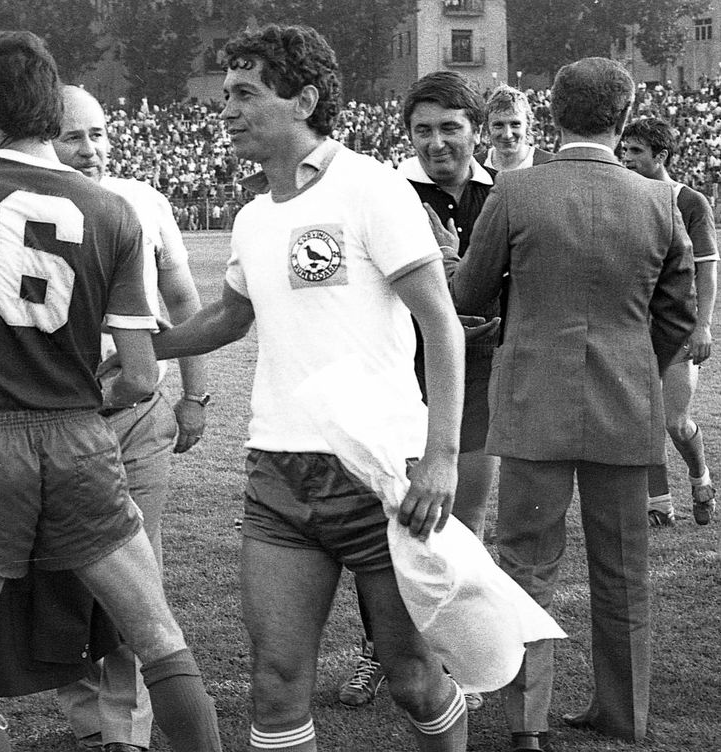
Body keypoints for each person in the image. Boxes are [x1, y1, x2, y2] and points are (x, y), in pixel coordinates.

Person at [154, 24, 468, 752]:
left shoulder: (372, 188)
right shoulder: (253, 217)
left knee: (413, 677)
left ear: (304, 100)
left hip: (381, 473)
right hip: (278, 477)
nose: (226, 110)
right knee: (275, 682)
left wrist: (443, 456)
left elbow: (442, 329)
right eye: (225, 94)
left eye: (244, 94)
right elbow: (233, 316)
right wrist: (147, 347)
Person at [0, 31, 221, 752]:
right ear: (53, 110)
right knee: (161, 642)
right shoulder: (117, 211)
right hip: (81, 437)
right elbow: (143, 375)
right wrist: (84, 399)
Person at [443, 57, 696, 751]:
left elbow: (466, 295)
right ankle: (626, 714)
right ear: (625, 115)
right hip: (625, 400)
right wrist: (635, 357)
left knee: (524, 565)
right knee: (623, 566)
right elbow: (679, 317)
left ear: (552, 112)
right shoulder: (660, 201)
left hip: (532, 398)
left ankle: (527, 722)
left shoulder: (517, 192)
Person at [51, 84, 209, 752]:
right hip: (53, 417)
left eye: (100, 133)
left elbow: (181, 295)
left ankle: (126, 731)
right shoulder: (19, 204)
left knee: (135, 569)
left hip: (137, 411)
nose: (92, 149)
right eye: (74, 136)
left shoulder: (144, 200)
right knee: (53, 570)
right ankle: (87, 716)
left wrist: (195, 395)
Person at [338, 71, 497, 711]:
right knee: (391, 528)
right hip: (396, 383)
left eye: (450, 129)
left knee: (463, 524)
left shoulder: (504, 196)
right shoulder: (388, 191)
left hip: (479, 379)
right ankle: (382, 651)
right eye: (422, 130)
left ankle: (453, 660)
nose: (436, 143)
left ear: (477, 133)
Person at [621, 116, 718, 527]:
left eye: (636, 152)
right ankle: (660, 503)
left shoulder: (691, 201)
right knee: (642, 421)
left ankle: (700, 476)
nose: (626, 159)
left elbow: (707, 269)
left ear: (661, 156)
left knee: (674, 422)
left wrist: (704, 325)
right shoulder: (621, 195)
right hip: (630, 325)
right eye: (624, 150)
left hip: (677, 328)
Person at [475, 85, 553, 172]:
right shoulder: (474, 167)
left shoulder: (550, 165)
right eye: (498, 125)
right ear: (487, 128)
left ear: (528, 125)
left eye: (515, 124)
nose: (507, 135)